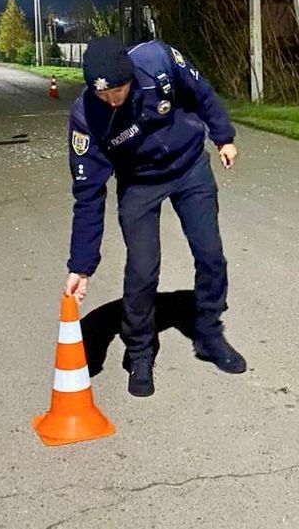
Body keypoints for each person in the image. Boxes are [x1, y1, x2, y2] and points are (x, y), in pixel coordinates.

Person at [64, 36, 246, 397]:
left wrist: (223, 137)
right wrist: (81, 266)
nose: (112, 100)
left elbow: (202, 92)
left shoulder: (157, 61)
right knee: (143, 270)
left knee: (210, 253)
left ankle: (209, 334)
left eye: (118, 89)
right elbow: (88, 197)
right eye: (103, 94)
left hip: (190, 167)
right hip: (139, 184)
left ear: (129, 75)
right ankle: (140, 352)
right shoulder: (86, 117)